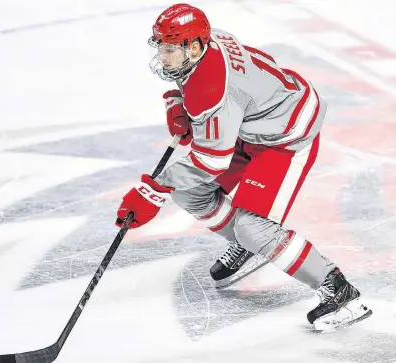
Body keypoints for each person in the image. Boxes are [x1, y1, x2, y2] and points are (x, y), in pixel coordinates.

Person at [116, 3, 372, 330]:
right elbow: (205, 89)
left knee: (253, 228)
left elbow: (211, 160)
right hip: (254, 123)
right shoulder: (209, 43)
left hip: (287, 137)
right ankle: (250, 247)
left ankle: (339, 291)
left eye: (169, 49)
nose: (163, 57)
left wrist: (154, 189)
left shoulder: (214, 91)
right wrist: (178, 102)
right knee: (189, 193)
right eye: (161, 47)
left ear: (193, 47)